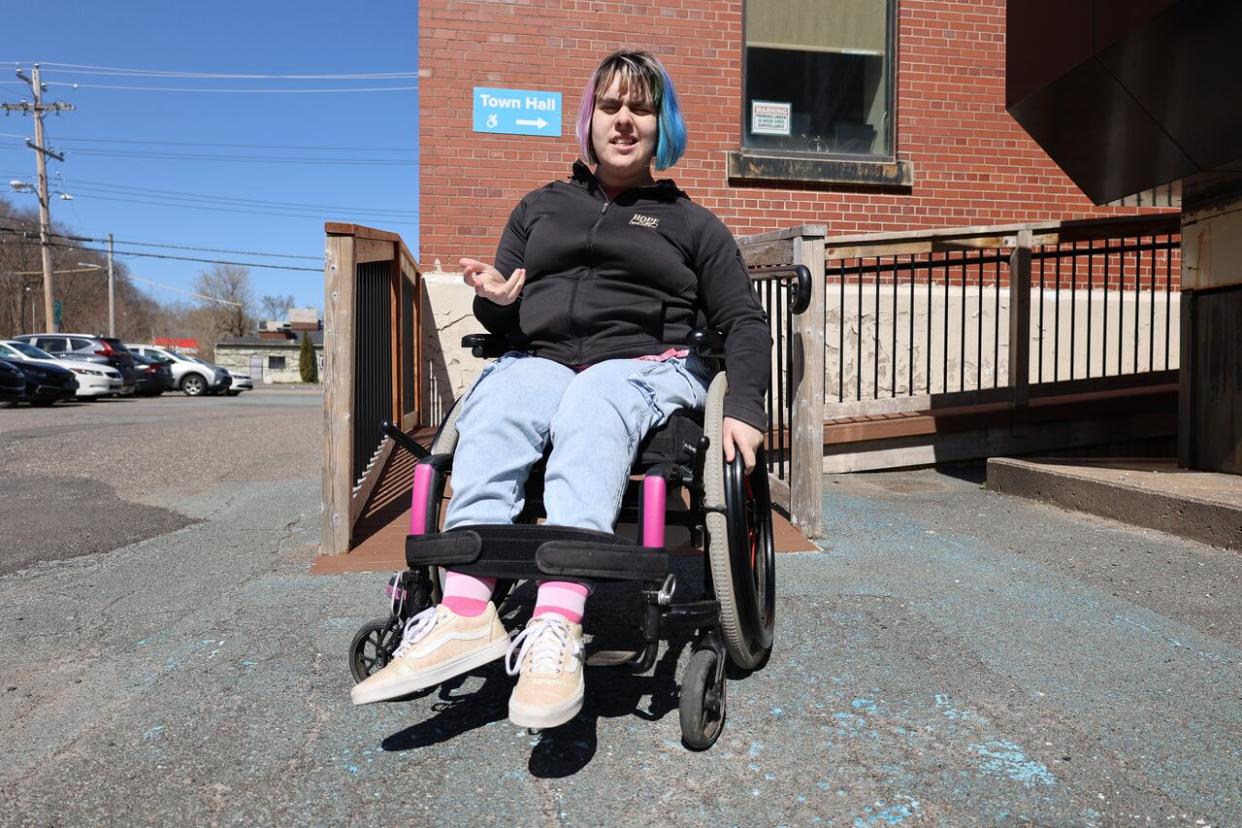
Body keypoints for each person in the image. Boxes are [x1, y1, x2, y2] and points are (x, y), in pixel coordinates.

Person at [352, 50, 771, 730]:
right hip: (542, 356)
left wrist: (746, 406)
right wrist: (496, 299)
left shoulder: (693, 225)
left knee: (594, 398)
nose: (625, 120)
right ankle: (463, 608)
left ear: (662, 125)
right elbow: (505, 308)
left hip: (643, 364)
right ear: (589, 120)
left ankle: (556, 625)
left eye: (641, 107)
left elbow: (743, 323)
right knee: (505, 395)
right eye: (611, 106)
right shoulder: (541, 205)